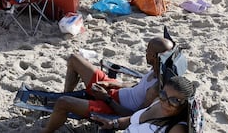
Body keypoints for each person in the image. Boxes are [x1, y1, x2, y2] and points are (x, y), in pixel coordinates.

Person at [40, 36, 175, 133]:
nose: (145, 53)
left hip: (112, 107)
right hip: (114, 92)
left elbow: (135, 115)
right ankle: (68, 93)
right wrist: (114, 85)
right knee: (74, 59)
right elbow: (136, 87)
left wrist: (106, 98)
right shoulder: (156, 69)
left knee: (63, 102)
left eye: (148, 52)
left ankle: (47, 131)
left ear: (154, 57)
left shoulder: (156, 89)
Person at [92, 76, 196, 133]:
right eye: (163, 95)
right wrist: (114, 124)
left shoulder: (177, 129)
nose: (165, 102)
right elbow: (132, 120)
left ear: (184, 104)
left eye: (174, 101)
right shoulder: (157, 102)